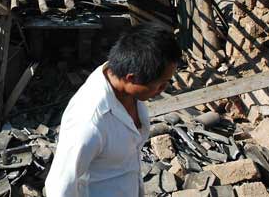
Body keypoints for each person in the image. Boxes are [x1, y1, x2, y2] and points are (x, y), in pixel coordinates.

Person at [45, 23, 182, 197]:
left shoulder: (127, 87)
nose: (164, 89)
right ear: (131, 78)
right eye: (160, 85)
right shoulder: (89, 123)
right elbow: (59, 187)